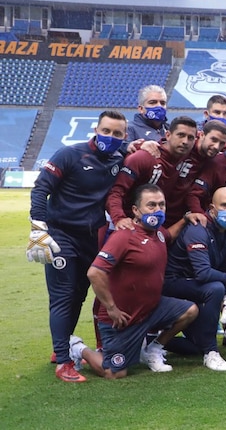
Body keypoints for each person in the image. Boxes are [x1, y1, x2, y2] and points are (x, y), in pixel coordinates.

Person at [27, 110, 127, 382]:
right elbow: (40, 189)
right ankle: (63, 362)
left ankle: (60, 346)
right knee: (63, 296)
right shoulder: (69, 154)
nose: (111, 137)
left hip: (90, 239)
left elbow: (135, 149)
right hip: (61, 236)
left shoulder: (119, 157)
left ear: (124, 136)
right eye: (106, 131)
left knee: (80, 295)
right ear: (96, 129)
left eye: (117, 133)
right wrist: (38, 229)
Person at [67, 184, 199, 380]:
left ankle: (153, 349)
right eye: (151, 205)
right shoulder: (123, 236)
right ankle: (78, 348)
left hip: (152, 310)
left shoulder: (159, 233)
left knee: (190, 311)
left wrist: (185, 218)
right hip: (123, 319)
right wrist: (111, 308)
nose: (158, 210)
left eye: (161, 205)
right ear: (136, 210)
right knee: (114, 373)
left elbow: (169, 235)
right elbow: (95, 273)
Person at [163, 187, 226, 371]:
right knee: (215, 288)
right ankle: (211, 354)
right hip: (173, 284)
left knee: (196, 346)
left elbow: (221, 270)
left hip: (195, 287)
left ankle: (149, 341)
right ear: (212, 208)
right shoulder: (198, 229)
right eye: (225, 205)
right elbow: (204, 273)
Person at [106, 116, 199, 229]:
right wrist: (119, 219)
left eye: (190, 138)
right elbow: (116, 192)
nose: (185, 141)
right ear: (168, 135)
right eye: (181, 135)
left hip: (160, 227)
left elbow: (211, 145)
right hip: (130, 226)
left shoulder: (187, 156)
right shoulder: (143, 157)